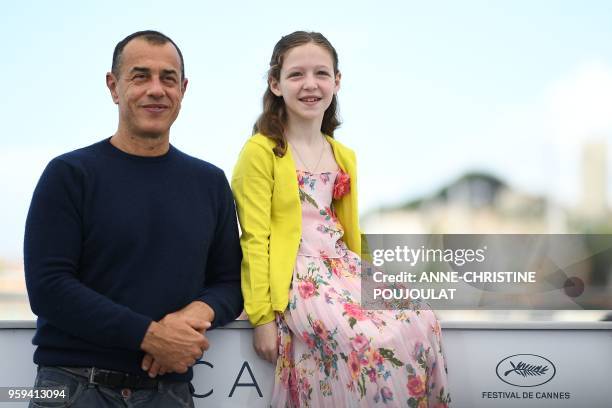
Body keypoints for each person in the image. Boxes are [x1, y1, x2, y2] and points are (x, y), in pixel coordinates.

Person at [24, 30, 243, 407]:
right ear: (114, 86)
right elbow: (48, 287)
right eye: (140, 76)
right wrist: (149, 335)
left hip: (169, 393)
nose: (156, 89)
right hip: (72, 388)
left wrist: (196, 312)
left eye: (168, 78)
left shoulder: (209, 182)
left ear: (183, 89)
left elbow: (230, 282)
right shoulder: (69, 174)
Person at [232, 31, 451, 407]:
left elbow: (350, 231)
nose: (310, 84)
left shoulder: (343, 154)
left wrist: (370, 280)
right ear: (276, 84)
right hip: (298, 277)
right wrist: (262, 318)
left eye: (321, 73)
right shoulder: (260, 151)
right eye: (296, 74)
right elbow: (254, 238)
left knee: (422, 319)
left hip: (344, 269)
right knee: (369, 340)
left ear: (337, 81)